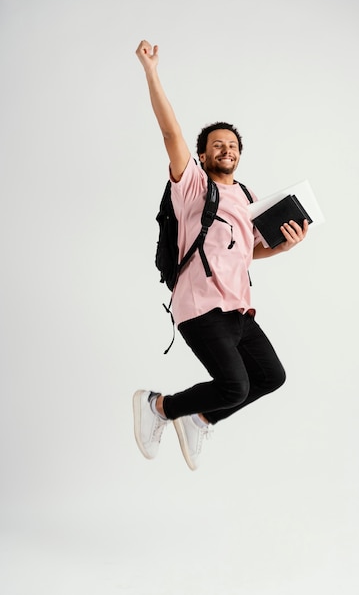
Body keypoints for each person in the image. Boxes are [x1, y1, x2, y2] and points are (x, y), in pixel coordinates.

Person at [133, 39, 309, 470]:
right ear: (202, 154)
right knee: (234, 385)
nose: (225, 149)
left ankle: (200, 417)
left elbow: (244, 253)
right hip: (200, 305)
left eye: (232, 145)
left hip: (238, 310)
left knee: (270, 377)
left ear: (239, 153)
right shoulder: (191, 185)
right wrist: (152, 73)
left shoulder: (247, 196)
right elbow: (170, 132)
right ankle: (158, 406)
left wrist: (282, 246)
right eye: (216, 145)